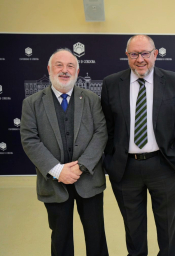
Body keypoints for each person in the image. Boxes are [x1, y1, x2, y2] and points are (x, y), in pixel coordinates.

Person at [101, 34, 175, 256]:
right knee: (133, 231)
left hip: (163, 165)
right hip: (125, 169)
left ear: (155, 54)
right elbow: (106, 126)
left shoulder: (173, 80)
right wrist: (111, 158)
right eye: (134, 54)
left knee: (167, 229)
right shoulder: (112, 83)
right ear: (127, 56)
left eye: (145, 53)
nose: (140, 59)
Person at [20, 48, 108, 256]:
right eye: (59, 65)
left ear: (77, 72)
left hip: (89, 181)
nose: (65, 70)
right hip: (53, 183)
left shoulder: (92, 99)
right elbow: (30, 140)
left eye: (71, 66)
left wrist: (81, 166)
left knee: (96, 237)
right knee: (60, 238)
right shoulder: (31, 104)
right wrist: (58, 170)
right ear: (49, 69)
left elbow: (101, 133)